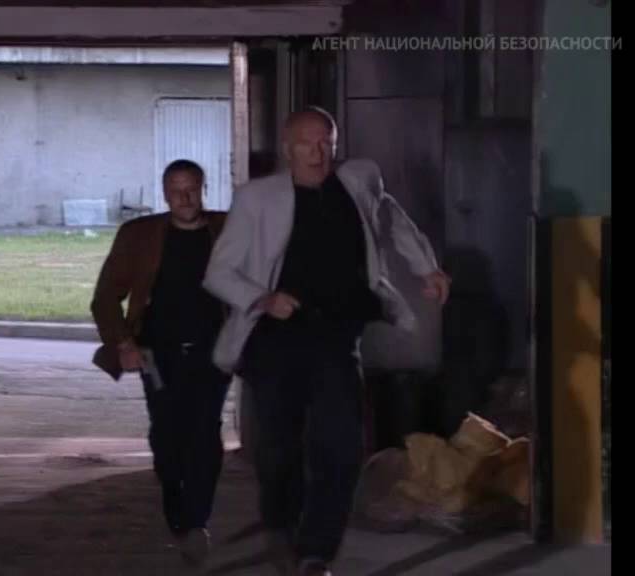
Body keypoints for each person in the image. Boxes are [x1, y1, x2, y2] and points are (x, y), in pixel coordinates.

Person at [203, 108, 449, 575]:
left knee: (341, 446)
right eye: (307, 144)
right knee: (279, 450)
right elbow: (218, 273)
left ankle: (316, 551)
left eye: (326, 144)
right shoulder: (257, 199)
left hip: (337, 338)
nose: (318, 154)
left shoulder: (359, 181)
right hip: (274, 341)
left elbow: (394, 221)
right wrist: (263, 298)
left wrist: (427, 268)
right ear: (288, 148)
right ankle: (280, 525)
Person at [90, 159, 232, 566]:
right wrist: (123, 343)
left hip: (213, 352)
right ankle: (175, 500)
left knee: (205, 432)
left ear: (204, 189)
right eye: (175, 190)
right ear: (165, 193)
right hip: (157, 354)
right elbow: (105, 297)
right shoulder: (139, 236)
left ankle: (197, 522)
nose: (184, 198)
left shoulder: (227, 229)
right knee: (168, 435)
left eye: (191, 189)